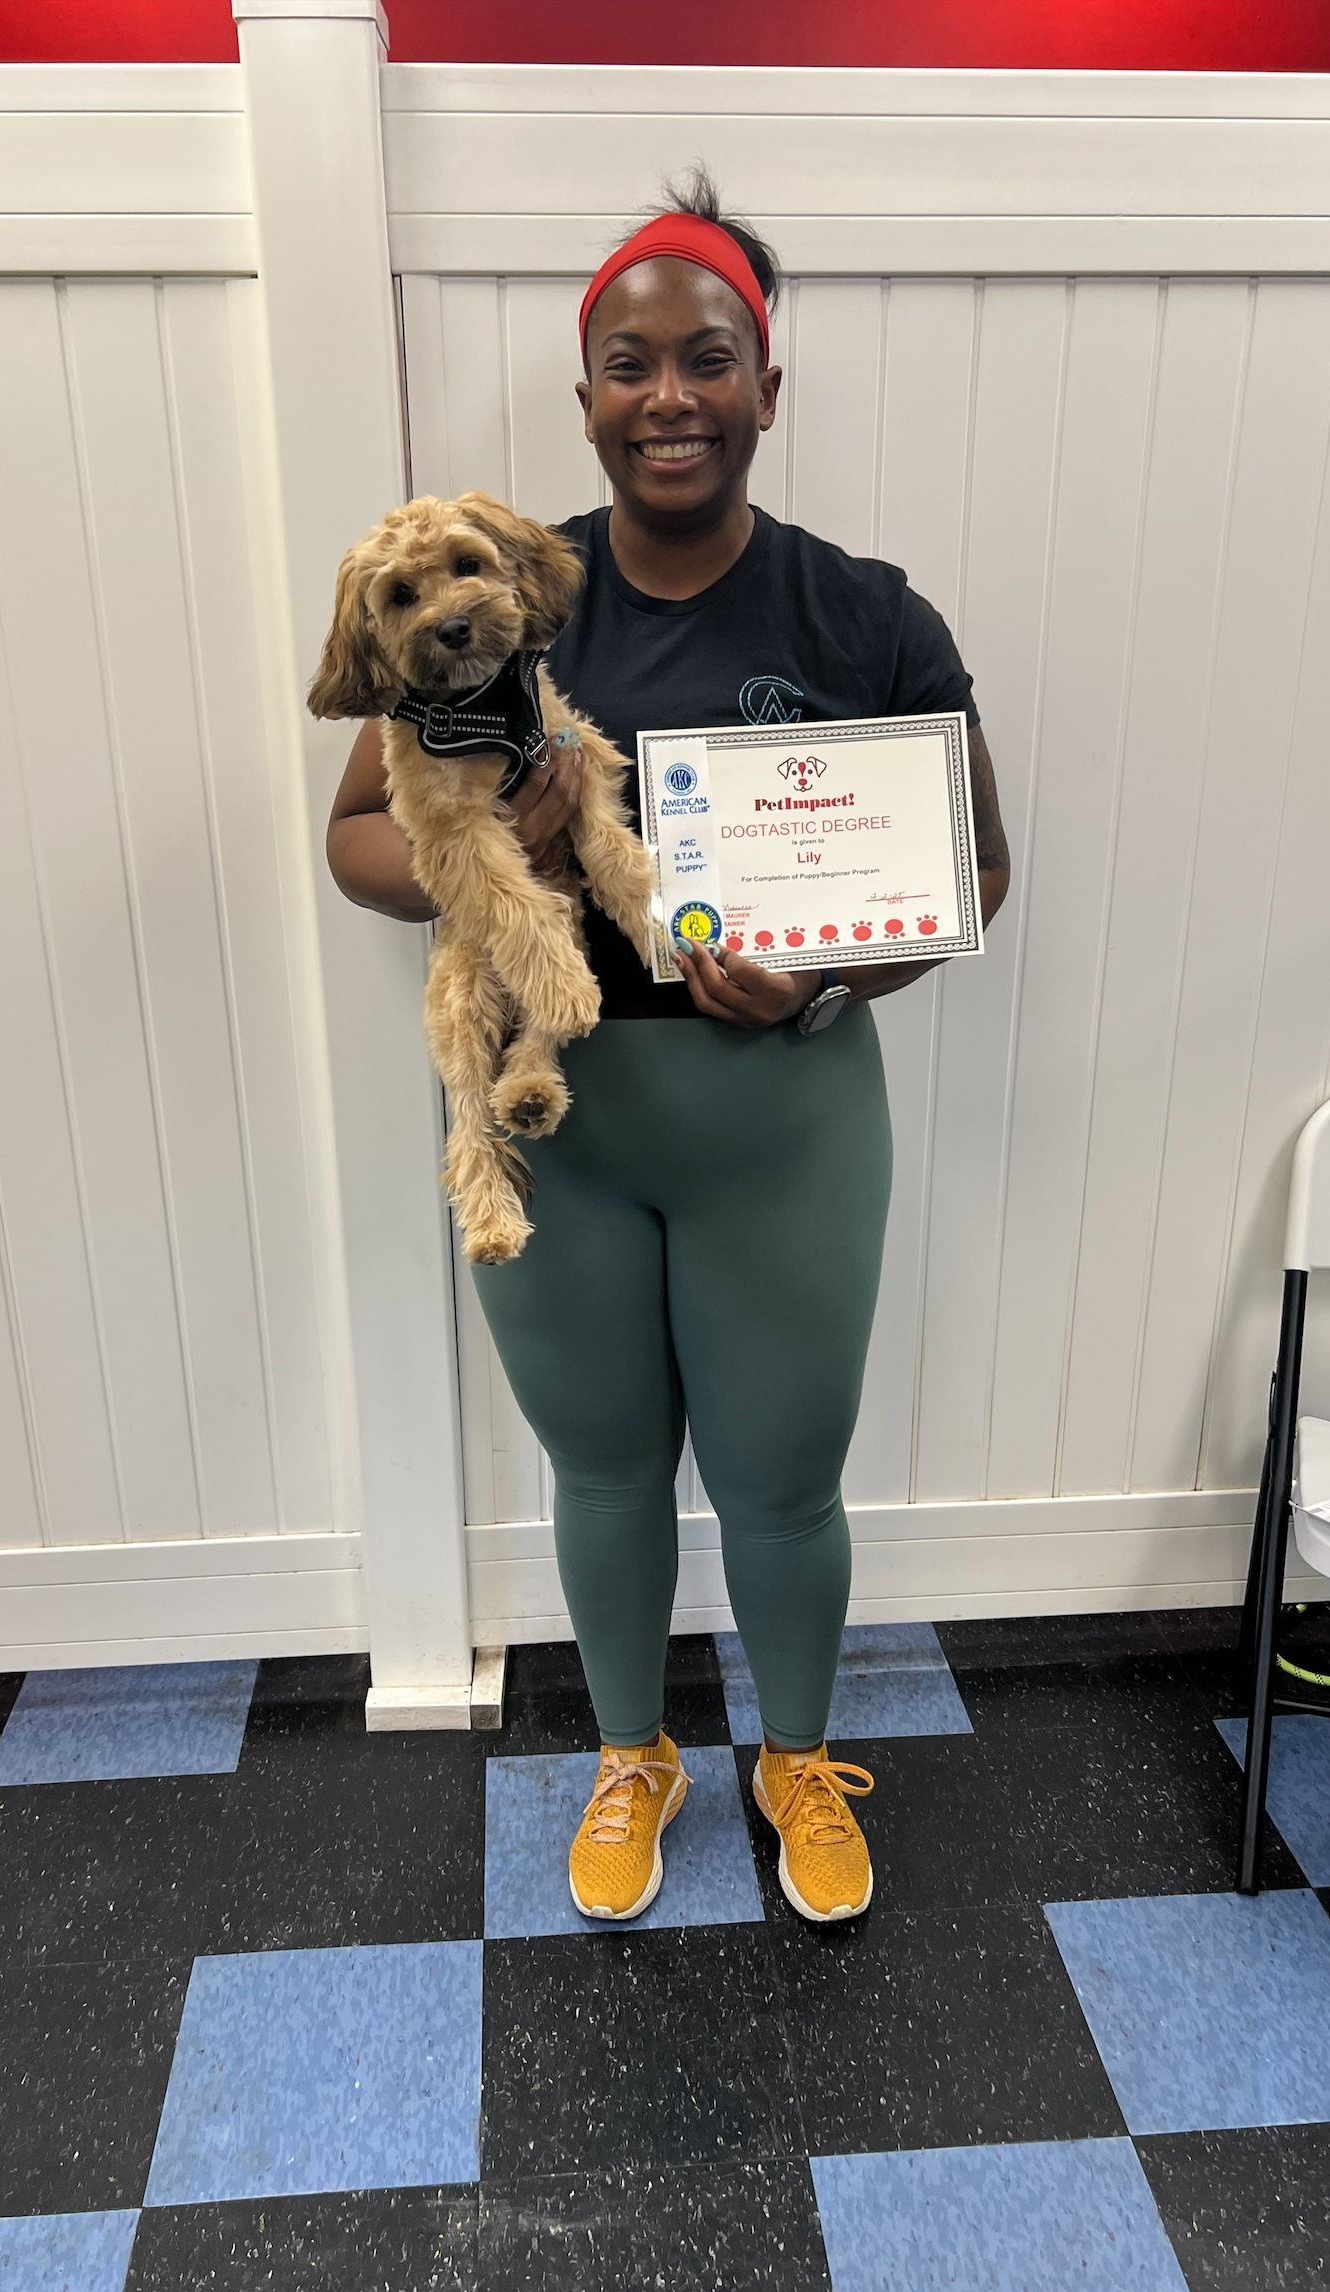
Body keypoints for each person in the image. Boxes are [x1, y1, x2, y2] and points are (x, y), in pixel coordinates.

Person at [328, 172, 1010, 1925]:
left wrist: (826, 978)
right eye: (630, 365)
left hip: (784, 1110)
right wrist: (514, 854)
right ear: (588, 402)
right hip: (559, 1112)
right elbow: (356, 841)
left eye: (709, 360)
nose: (671, 396)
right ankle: (634, 1752)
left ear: (766, 387)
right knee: (605, 1465)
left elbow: (972, 868)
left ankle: (792, 1753)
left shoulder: (864, 614)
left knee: (784, 1479)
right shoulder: (493, 589)